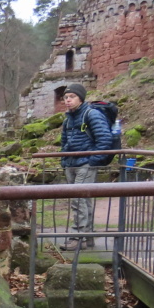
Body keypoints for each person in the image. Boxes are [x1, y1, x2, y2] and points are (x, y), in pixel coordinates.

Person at [60, 83, 112, 250]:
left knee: (79, 200)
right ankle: (87, 237)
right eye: (66, 97)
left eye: (72, 97)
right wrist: (64, 160)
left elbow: (104, 139)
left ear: (81, 98)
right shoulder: (69, 118)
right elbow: (64, 141)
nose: (68, 100)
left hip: (85, 163)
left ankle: (78, 238)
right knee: (83, 200)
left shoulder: (92, 114)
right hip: (71, 163)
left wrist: (92, 161)